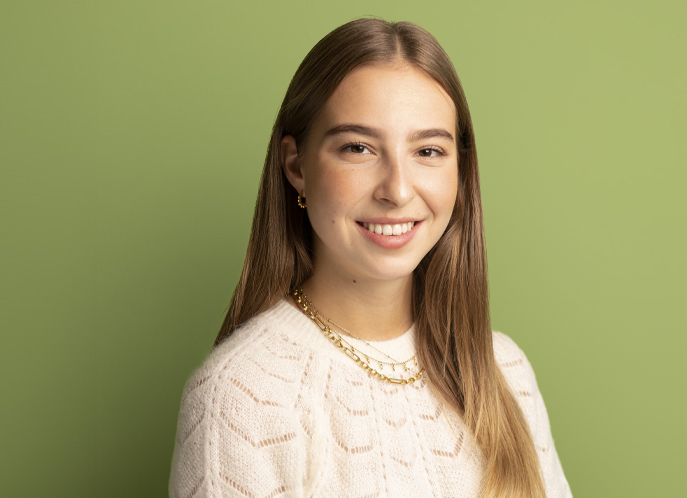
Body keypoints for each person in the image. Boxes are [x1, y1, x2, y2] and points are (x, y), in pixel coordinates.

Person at [168, 18, 572, 498]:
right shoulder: (242, 398)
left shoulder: (505, 371)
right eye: (358, 148)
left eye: (428, 150)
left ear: (461, 171)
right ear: (296, 166)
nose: (397, 190)